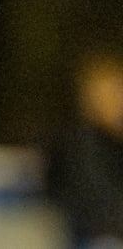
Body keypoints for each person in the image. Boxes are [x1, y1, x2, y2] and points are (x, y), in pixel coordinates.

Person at [46, 49, 123, 248]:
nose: (116, 100)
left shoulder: (113, 141)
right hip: (95, 238)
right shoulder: (78, 145)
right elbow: (96, 205)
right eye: (107, 91)